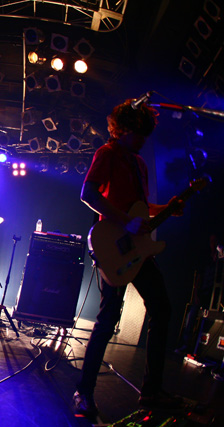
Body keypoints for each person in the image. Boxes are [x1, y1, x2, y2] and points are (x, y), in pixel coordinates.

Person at [73, 99, 185, 417]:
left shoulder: (139, 164)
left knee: (161, 308)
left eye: (145, 136)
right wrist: (125, 221)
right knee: (108, 318)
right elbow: (88, 193)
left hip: (138, 249)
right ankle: (83, 392)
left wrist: (167, 209)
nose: (142, 141)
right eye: (138, 134)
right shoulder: (106, 153)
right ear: (121, 129)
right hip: (113, 247)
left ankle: (151, 392)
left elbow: (141, 209)